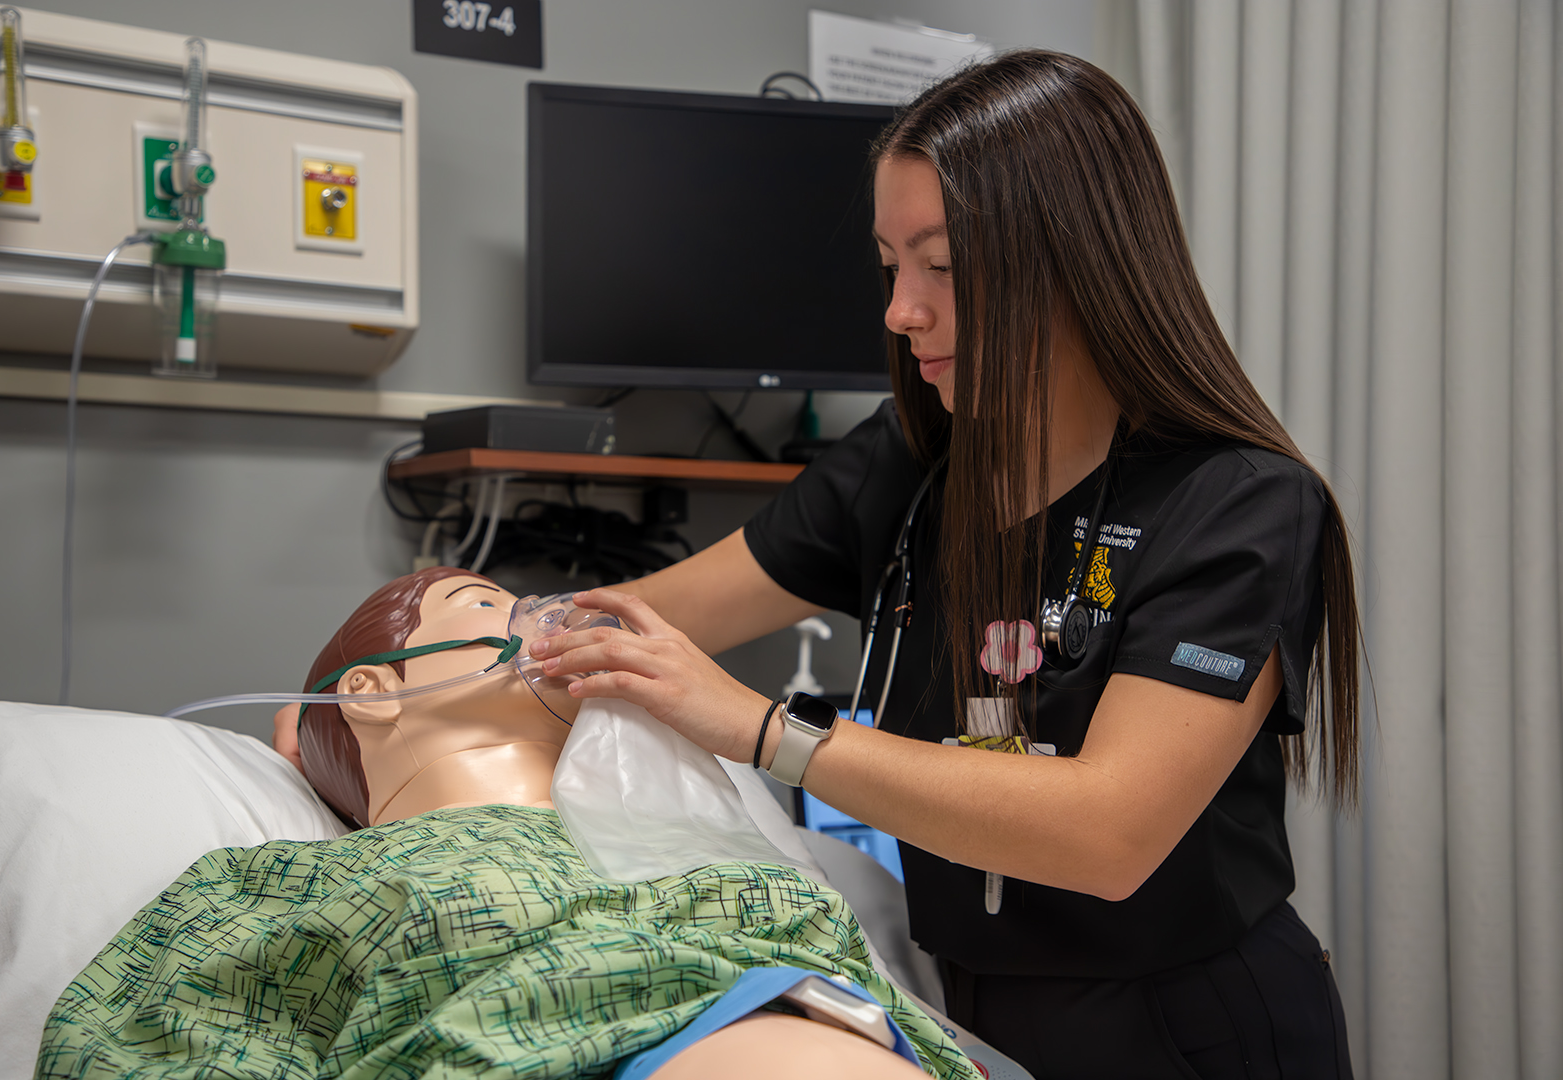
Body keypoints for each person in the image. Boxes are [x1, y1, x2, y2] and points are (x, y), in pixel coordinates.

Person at [516, 50, 1361, 1079]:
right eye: (890, 266)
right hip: (973, 1011)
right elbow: (632, 622)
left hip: (1192, 1029)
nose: (900, 311)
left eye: (943, 268)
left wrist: (764, 731)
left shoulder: (1236, 505)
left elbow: (1109, 833)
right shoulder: (907, 466)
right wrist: (495, 635)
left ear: (1078, 262)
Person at [41, 568, 975, 1080]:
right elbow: (145, 1050)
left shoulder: (688, 848)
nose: (541, 615)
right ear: (370, 692)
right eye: (485, 606)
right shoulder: (280, 884)